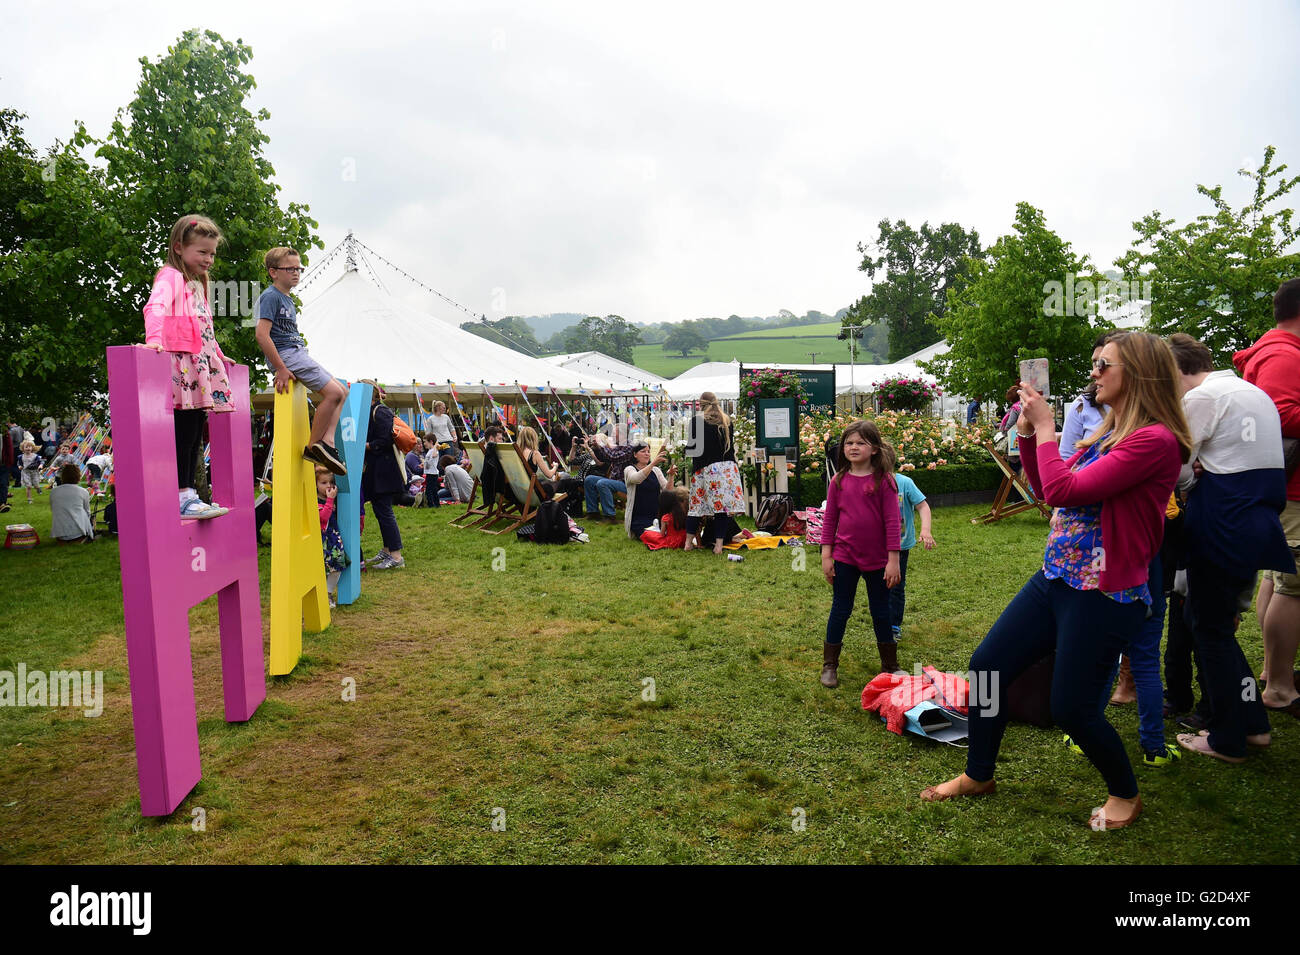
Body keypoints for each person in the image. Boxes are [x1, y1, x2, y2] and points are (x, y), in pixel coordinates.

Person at [922, 332, 1189, 830]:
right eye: (1094, 364)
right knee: (987, 668)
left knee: (1072, 710)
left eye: (1103, 364)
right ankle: (979, 774)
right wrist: (1028, 432)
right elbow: (1052, 491)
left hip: (1104, 593)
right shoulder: (1111, 431)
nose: (1094, 373)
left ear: (1138, 372)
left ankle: (1125, 795)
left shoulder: (1154, 441)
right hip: (1057, 577)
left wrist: (1047, 425)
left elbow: (1065, 487)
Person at [1169, 333, 1290, 762]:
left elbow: (1177, 466)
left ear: (1175, 370)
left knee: (1207, 628)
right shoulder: (1249, 389)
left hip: (1221, 521)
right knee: (1217, 626)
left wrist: (1194, 474)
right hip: (1258, 521)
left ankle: (1227, 737)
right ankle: (1252, 723)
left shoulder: (1201, 397)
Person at [1233, 277, 1300, 716]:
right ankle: (1278, 685)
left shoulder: (1276, 351)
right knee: (1294, 584)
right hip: (1293, 489)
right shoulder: (1283, 354)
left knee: (1279, 578)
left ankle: (1274, 672)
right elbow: (1276, 413)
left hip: (1285, 486)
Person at [138, 214, 233, 519]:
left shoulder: (196, 283)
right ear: (179, 247)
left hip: (200, 365)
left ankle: (189, 492)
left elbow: (205, 328)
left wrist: (217, 352)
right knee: (184, 433)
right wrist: (154, 340)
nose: (209, 259)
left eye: (213, 253)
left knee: (194, 432)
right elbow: (155, 306)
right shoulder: (171, 276)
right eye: (203, 252)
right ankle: (181, 493)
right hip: (183, 365)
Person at [819, 420, 901, 686]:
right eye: (849, 443)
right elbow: (829, 520)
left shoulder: (884, 481)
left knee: (881, 611)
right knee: (840, 609)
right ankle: (829, 665)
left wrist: (893, 560)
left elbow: (892, 522)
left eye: (860, 443)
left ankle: (890, 665)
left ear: (875, 448)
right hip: (845, 558)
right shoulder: (838, 481)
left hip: (878, 561)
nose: (853, 447)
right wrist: (826, 555)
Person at [254, 246, 349, 476]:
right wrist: (280, 368)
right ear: (273, 272)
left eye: (299, 268)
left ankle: (327, 442)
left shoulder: (287, 299)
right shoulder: (270, 296)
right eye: (290, 269)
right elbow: (261, 334)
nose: (296, 272)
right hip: (287, 354)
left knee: (343, 391)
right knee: (334, 394)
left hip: (297, 352)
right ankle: (314, 445)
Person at [684, 391, 746, 554]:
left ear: (701, 404)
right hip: (727, 469)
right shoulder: (726, 421)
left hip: (706, 469)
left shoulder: (697, 422)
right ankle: (718, 546)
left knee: (696, 507)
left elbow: (693, 450)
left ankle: (688, 544)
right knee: (722, 510)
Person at [360, 382, 405, 570]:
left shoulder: (380, 412)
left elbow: (384, 441)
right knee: (380, 511)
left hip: (384, 470)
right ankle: (387, 551)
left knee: (385, 512)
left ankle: (396, 557)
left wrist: (364, 446)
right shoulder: (372, 411)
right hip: (376, 470)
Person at [890, 470, 935, 646]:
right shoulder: (868, 482)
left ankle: (893, 625)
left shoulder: (905, 482)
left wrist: (926, 530)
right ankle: (882, 622)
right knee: (879, 586)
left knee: (896, 586)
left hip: (900, 545)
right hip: (876, 547)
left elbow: (923, 506)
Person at [624, 442, 676, 538]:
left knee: (668, 535)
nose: (647, 454)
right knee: (653, 536)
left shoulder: (656, 470)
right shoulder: (629, 469)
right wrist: (653, 463)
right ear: (635, 454)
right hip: (638, 518)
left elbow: (668, 491)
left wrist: (671, 476)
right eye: (643, 451)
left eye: (648, 451)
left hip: (656, 516)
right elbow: (636, 479)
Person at [584, 434, 638, 523]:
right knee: (589, 479)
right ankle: (593, 512)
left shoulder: (630, 447)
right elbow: (606, 458)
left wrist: (603, 444)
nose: (612, 436)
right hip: (615, 482)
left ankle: (610, 516)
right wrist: (597, 447)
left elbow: (613, 457)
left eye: (614, 434)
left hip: (627, 485)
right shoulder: (618, 447)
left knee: (602, 483)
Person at [316, 466, 348, 608]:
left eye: (330, 482)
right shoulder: (315, 500)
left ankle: (328, 593)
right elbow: (323, 517)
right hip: (322, 540)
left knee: (338, 566)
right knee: (321, 568)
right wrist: (330, 500)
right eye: (323, 483)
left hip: (334, 539)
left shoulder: (335, 498)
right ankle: (320, 596)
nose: (328, 486)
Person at [50, 464, 94, 542]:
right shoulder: (83, 491)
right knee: (87, 514)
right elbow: (87, 512)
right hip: (78, 533)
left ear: (62, 476)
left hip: (59, 533)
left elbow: (53, 509)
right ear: (78, 476)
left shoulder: (54, 491)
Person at [19, 439, 42, 504]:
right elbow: (19, 463)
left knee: (36, 485)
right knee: (28, 486)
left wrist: (40, 466)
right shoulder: (21, 457)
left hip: (34, 472)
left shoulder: (35, 456)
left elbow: (41, 462)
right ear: (23, 448)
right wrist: (20, 466)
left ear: (32, 448)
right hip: (26, 472)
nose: (28, 448)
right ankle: (29, 499)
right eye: (26, 447)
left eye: (29, 447)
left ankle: (37, 488)